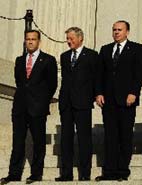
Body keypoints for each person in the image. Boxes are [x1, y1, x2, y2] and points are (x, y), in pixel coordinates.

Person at [0, 30, 57, 184]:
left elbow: (52, 85)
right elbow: (20, 82)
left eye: (33, 39)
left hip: (37, 108)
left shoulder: (48, 60)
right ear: (25, 41)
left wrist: (42, 102)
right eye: (27, 39)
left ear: (39, 41)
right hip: (20, 107)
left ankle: (36, 174)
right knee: (17, 141)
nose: (30, 42)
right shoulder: (19, 60)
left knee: (38, 142)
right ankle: (14, 174)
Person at [95, 20, 142, 181]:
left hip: (127, 100)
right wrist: (98, 93)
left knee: (125, 135)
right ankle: (109, 171)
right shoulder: (105, 49)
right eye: (114, 30)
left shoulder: (136, 49)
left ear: (127, 32)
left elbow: (139, 73)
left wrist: (134, 93)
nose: (116, 32)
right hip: (108, 100)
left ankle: (122, 170)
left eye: (119, 30)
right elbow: (99, 74)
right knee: (110, 136)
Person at [55, 27, 98, 181]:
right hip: (66, 103)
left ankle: (85, 174)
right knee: (66, 139)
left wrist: (96, 95)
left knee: (84, 139)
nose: (68, 41)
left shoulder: (92, 56)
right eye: (67, 38)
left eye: (71, 38)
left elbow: (96, 78)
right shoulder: (64, 56)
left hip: (83, 103)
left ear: (80, 38)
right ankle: (66, 174)